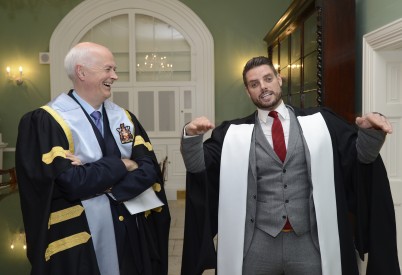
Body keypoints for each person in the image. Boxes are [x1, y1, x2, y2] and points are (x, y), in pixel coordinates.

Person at [180, 56, 400, 275]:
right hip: (257, 243)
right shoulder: (231, 135)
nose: (263, 87)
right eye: (254, 84)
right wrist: (190, 137)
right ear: (248, 92)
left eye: (268, 79)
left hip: (310, 243)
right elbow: (197, 166)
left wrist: (371, 133)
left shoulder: (321, 122)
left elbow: (361, 157)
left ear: (280, 80)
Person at [16, 42, 170, 275]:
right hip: (80, 243)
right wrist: (123, 164)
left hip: (131, 234)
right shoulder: (47, 121)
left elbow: (149, 170)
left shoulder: (125, 119)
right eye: (108, 69)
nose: (115, 76)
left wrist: (99, 180)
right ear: (81, 71)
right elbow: (71, 182)